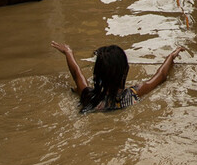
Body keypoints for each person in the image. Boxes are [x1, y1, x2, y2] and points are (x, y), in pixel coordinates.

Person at [50, 41, 184, 113]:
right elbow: (161, 75)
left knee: (75, 90)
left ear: (97, 74)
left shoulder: (89, 96)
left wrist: (68, 52)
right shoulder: (133, 94)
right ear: (125, 71)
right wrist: (171, 56)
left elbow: (76, 73)